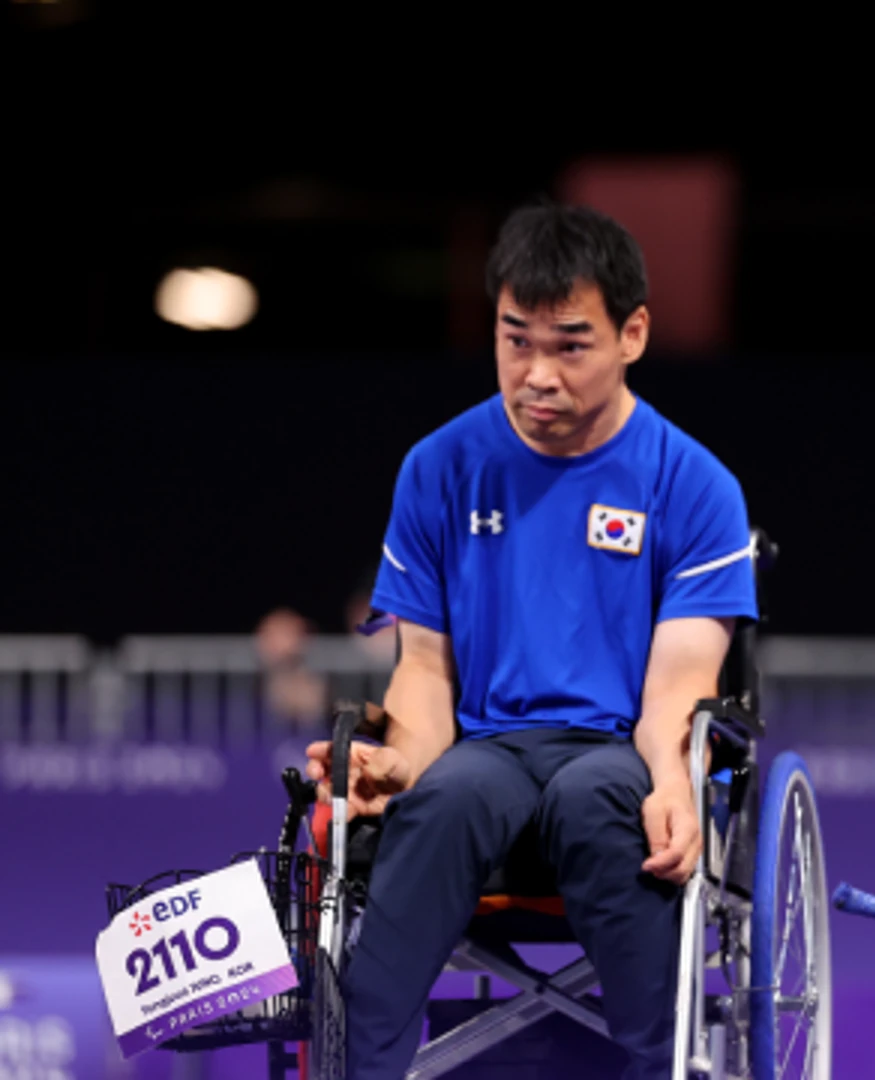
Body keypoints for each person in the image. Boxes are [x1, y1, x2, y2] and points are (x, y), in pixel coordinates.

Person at [304, 203, 759, 1079]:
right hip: (488, 749)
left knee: (601, 806)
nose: (536, 374)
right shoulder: (438, 467)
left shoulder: (696, 485)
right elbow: (426, 676)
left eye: (569, 345)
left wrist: (676, 783)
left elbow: (679, 688)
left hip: (617, 751)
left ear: (633, 334)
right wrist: (397, 763)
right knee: (441, 805)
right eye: (516, 341)